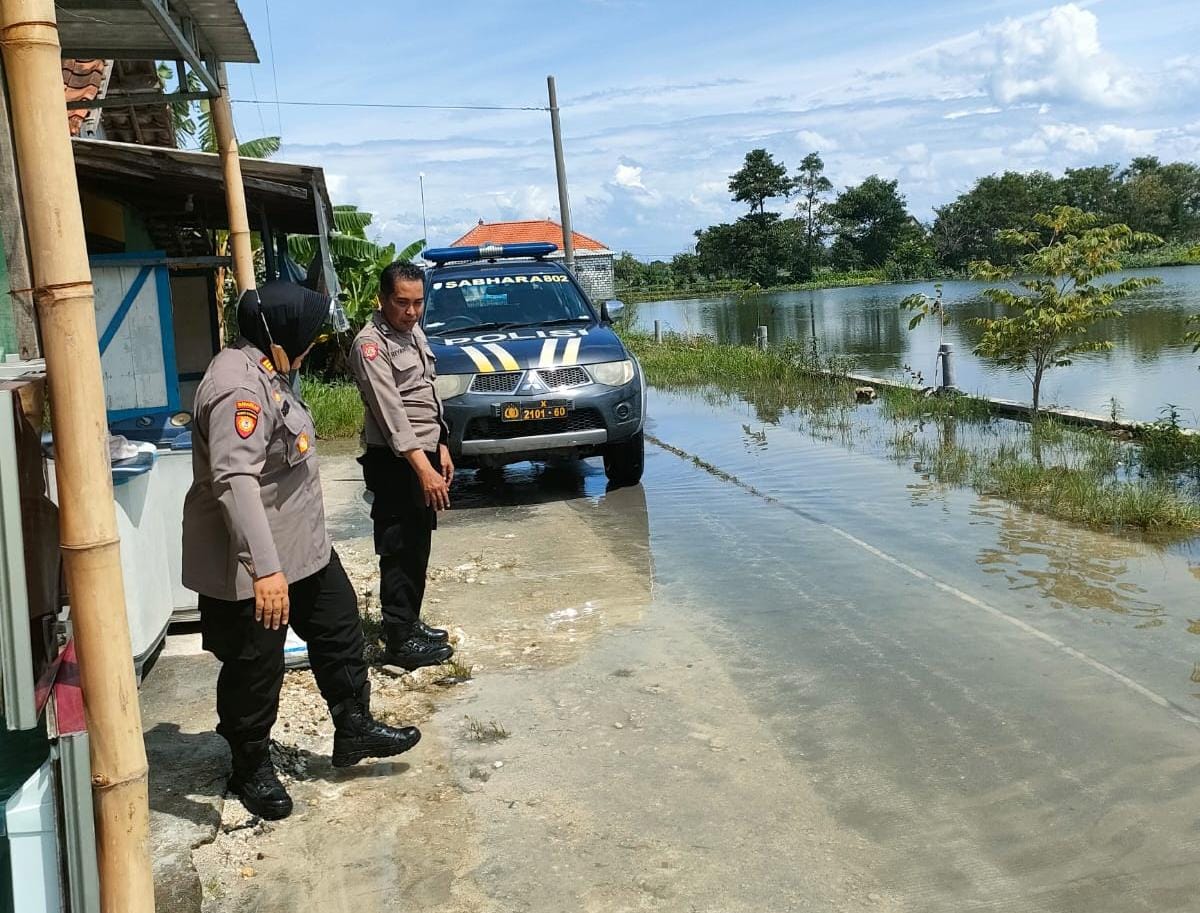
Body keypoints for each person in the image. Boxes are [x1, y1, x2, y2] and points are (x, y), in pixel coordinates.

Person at [183, 280, 421, 821]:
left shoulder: (270, 369)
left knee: (340, 624)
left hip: (301, 546)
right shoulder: (237, 389)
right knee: (255, 666)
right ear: (281, 332)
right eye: (309, 334)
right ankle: (250, 766)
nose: (315, 343)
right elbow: (235, 481)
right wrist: (266, 570)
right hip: (254, 560)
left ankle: (352, 726)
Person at [350, 261, 456, 671]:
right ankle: (397, 639)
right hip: (397, 460)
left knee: (418, 543)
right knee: (397, 546)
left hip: (424, 452)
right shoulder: (370, 345)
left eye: (417, 303)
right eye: (401, 303)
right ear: (382, 298)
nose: (410, 312)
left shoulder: (412, 333)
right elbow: (392, 413)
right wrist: (422, 469)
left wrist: (441, 445)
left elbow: (427, 392)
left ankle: (410, 622)